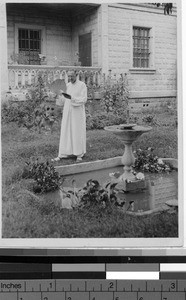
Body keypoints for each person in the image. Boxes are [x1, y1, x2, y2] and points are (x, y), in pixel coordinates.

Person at [52, 70, 87, 162]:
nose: (70, 78)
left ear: (76, 75)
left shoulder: (82, 85)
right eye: (69, 76)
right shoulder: (67, 86)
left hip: (77, 112)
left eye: (72, 76)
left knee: (77, 131)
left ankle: (79, 154)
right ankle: (64, 153)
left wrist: (72, 98)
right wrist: (58, 96)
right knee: (66, 131)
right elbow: (62, 101)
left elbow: (84, 99)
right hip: (67, 111)